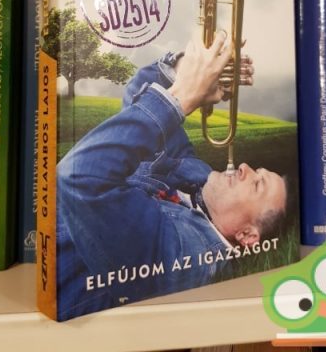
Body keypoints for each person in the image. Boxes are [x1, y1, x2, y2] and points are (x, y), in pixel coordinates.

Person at [56, 31, 288, 320]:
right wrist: (185, 70)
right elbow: (138, 94)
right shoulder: (200, 179)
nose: (244, 167)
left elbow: (79, 177)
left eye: (257, 184)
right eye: (256, 170)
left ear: (247, 235)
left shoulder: (185, 257)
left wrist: (183, 97)